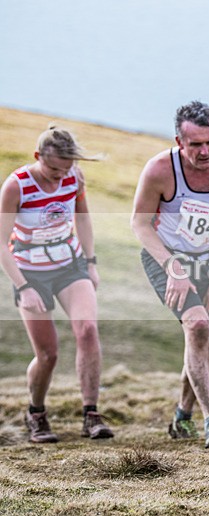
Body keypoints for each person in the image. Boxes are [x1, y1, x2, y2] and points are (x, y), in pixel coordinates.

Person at [131, 101, 209, 449]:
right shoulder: (159, 170)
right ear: (178, 141)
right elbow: (139, 223)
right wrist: (173, 268)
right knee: (197, 326)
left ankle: (182, 415)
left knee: (204, 343)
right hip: (165, 258)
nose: (205, 152)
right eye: (196, 144)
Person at [0, 125, 114, 443]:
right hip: (30, 272)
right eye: (52, 169)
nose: (58, 178)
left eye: (64, 170)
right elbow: (1, 243)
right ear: (38, 157)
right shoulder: (16, 186)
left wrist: (90, 263)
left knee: (88, 331)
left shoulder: (74, 177)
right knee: (48, 354)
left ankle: (91, 414)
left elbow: (83, 217)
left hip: (69, 265)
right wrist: (24, 287)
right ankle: (36, 413)